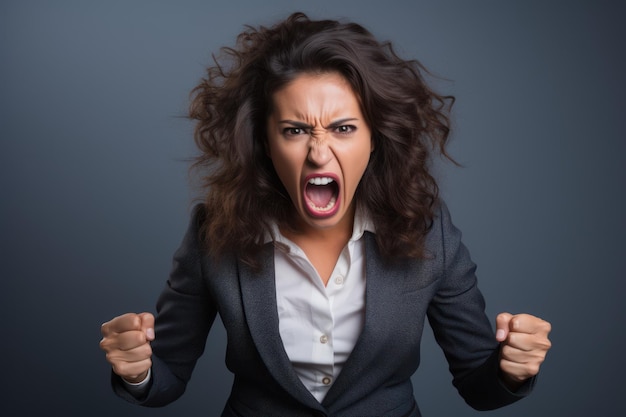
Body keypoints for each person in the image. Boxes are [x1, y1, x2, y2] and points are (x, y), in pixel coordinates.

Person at [99, 12, 551, 417]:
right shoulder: (214, 234)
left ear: (375, 138)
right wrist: (136, 369)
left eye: (343, 129)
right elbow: (168, 379)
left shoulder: (430, 233)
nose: (319, 153)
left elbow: (478, 384)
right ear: (263, 142)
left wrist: (513, 369)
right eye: (295, 130)